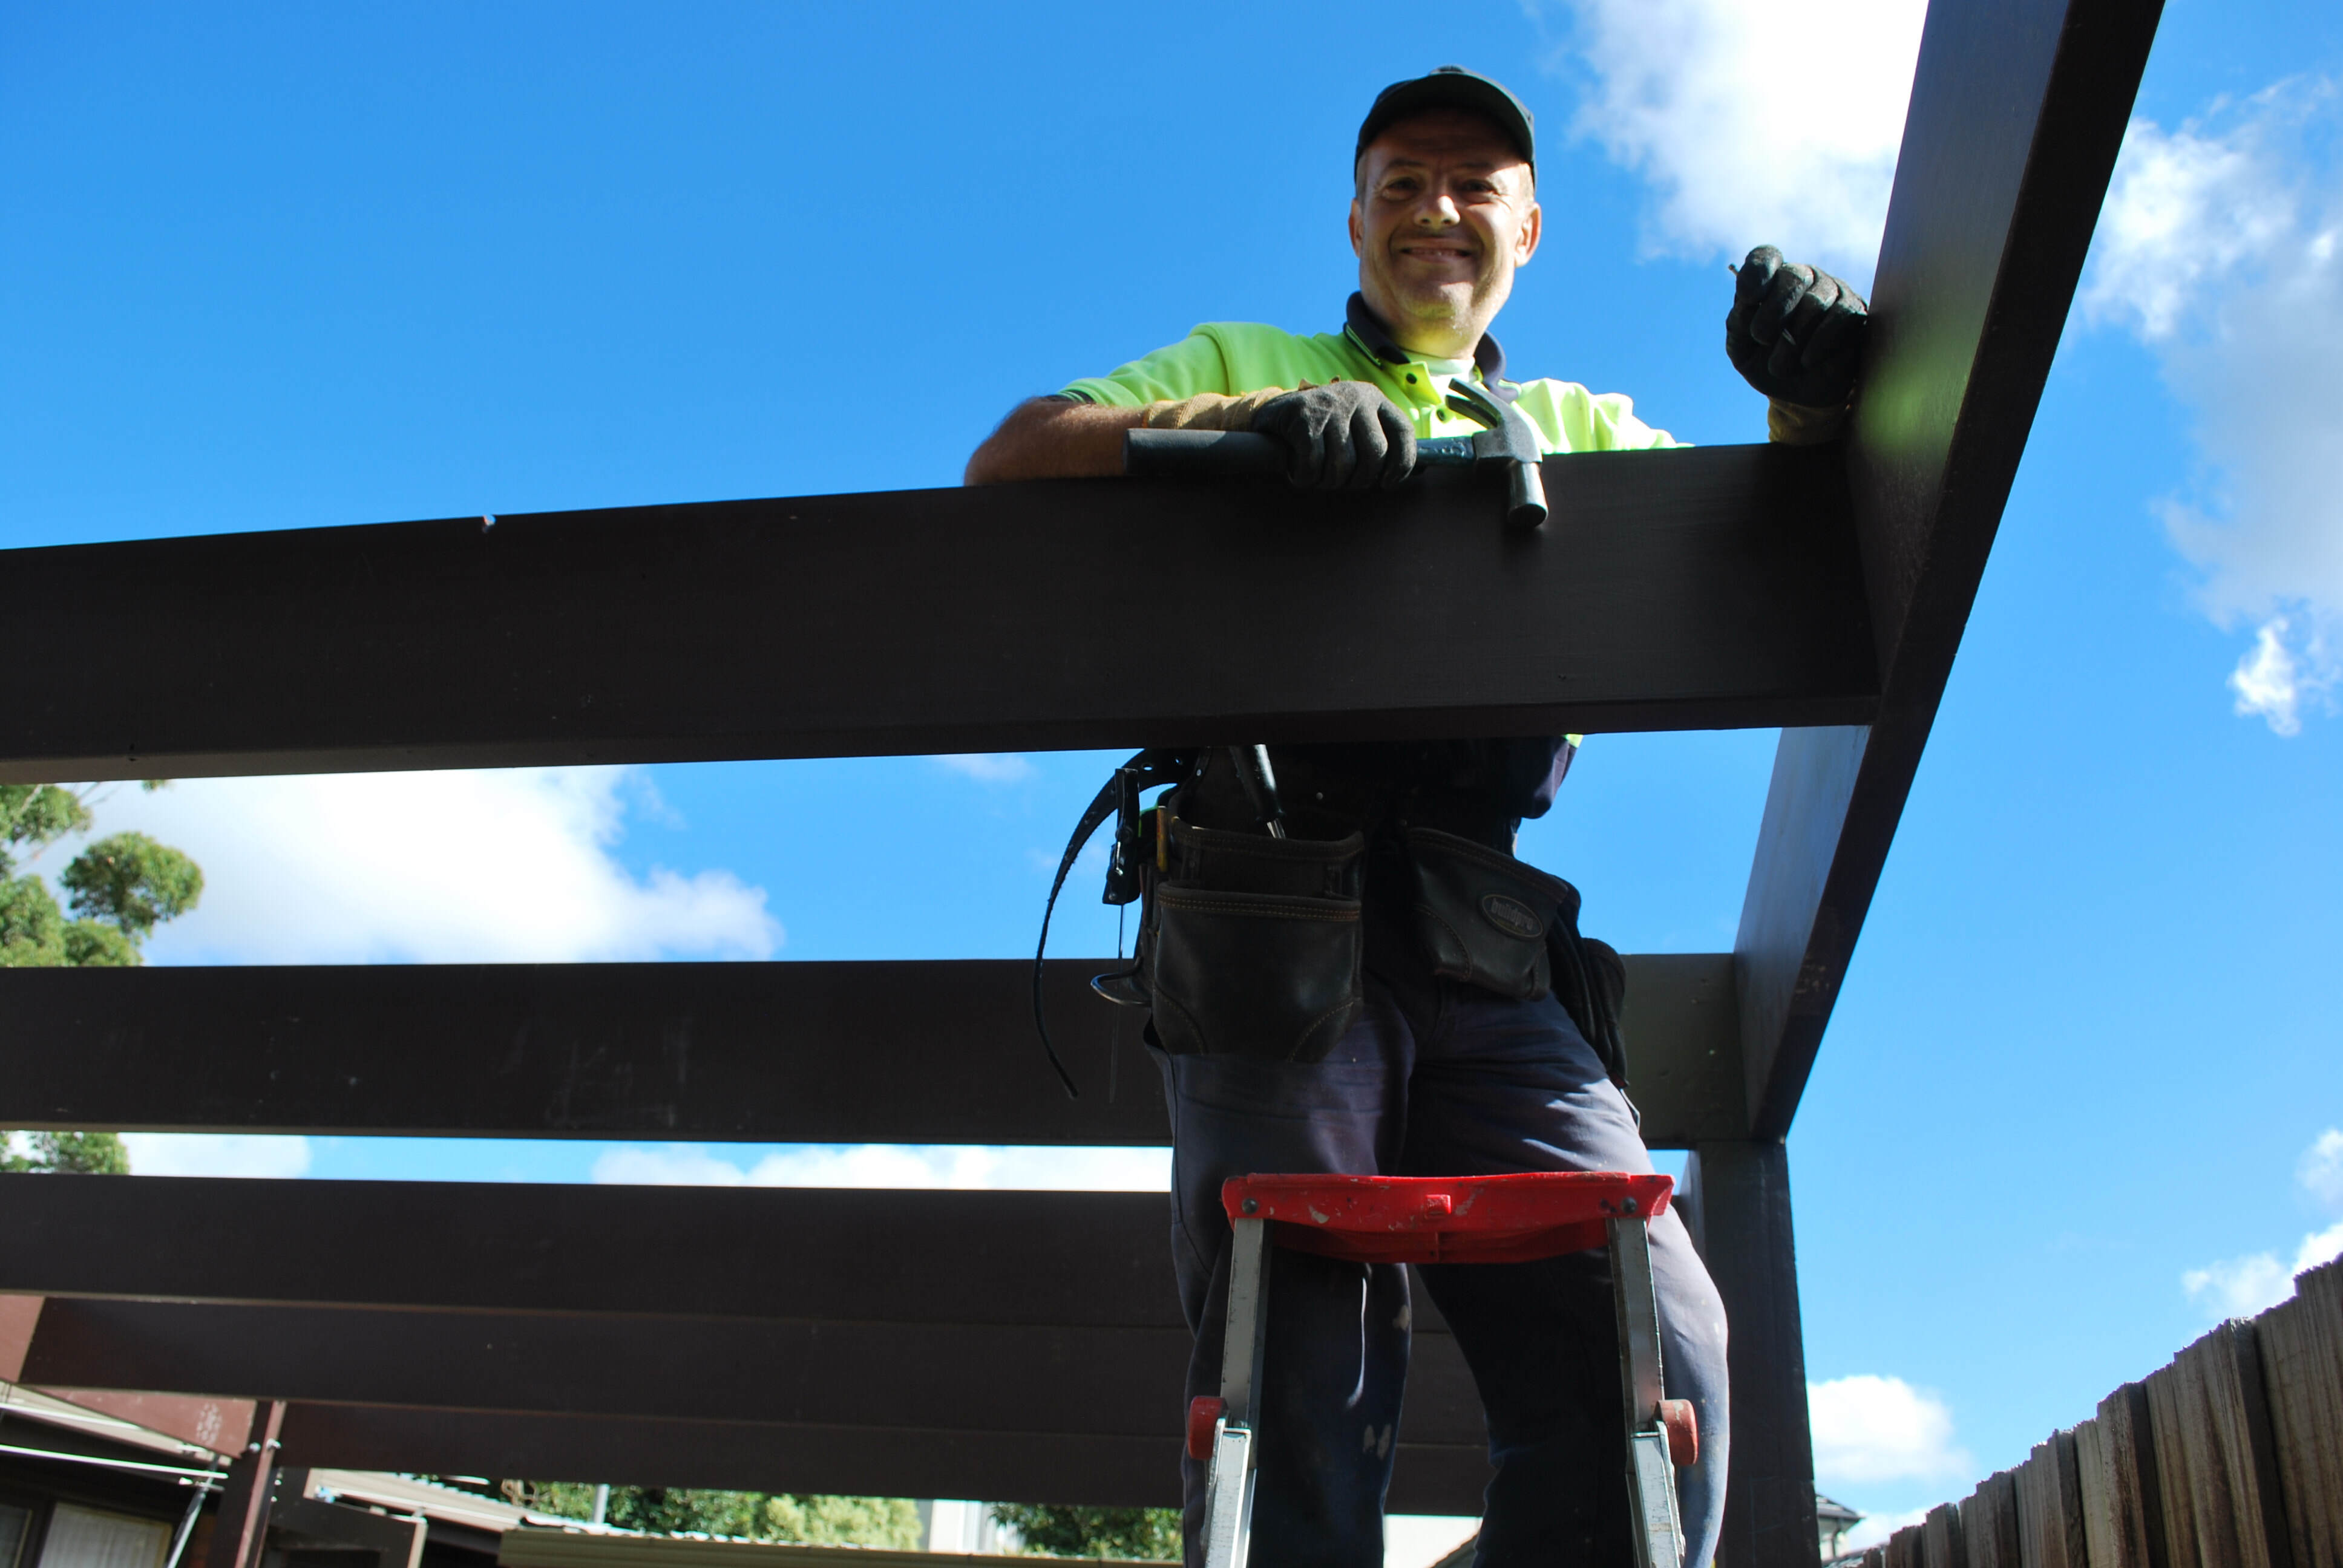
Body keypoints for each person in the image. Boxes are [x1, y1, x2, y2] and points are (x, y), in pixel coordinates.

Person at [968, 66, 1867, 1568]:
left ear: (1529, 228)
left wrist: (1807, 404)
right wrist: (1258, 422)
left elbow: (1762, 564)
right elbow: (1015, 456)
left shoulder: (1581, 425)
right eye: (1400, 184)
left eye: (1472, 186)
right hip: (1274, 913)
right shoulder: (1244, 354)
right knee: (1294, 1362)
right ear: (1354, 222)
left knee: (1652, 1338)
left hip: (1485, 939)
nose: (1434, 211)